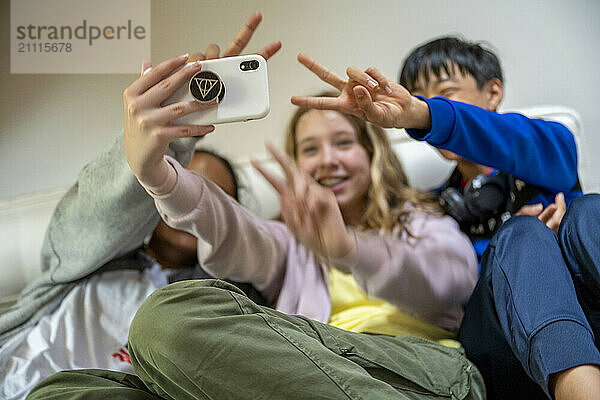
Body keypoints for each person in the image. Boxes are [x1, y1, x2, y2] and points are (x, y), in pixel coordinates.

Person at [27, 50, 484, 398]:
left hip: (425, 373)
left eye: (342, 142)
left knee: (166, 320)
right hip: (298, 377)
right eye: (309, 149)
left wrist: (348, 249)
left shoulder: (423, 219)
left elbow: (450, 285)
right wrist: (155, 174)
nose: (327, 160)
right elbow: (228, 227)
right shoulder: (290, 245)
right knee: (62, 391)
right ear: (297, 164)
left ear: (371, 153)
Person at [289, 37, 598, 399]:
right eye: (419, 97)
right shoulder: (433, 208)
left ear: (493, 92)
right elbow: (451, 290)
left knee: (588, 210)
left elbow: (520, 141)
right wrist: (523, 248)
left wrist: (424, 115)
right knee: (524, 234)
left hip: (587, 312)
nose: (428, 104)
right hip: (506, 349)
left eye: (444, 94)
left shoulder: (548, 151)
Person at [0, 13, 280, 400]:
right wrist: (170, 139)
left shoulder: (220, 302)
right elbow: (96, 215)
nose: (190, 203)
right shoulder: (89, 258)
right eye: (181, 183)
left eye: (210, 197)